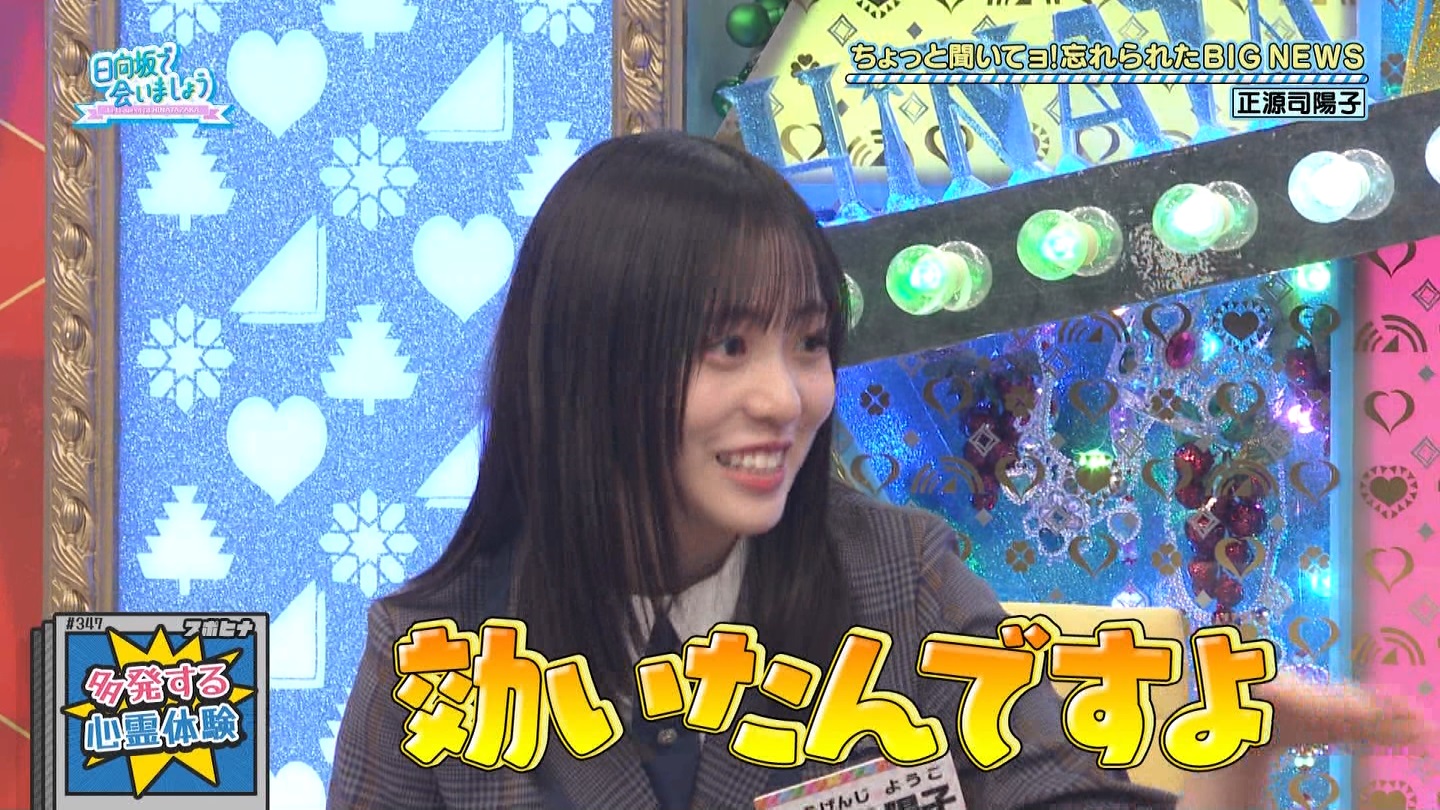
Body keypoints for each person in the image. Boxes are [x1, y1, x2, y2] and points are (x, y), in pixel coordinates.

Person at [328, 131, 1433, 810]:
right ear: (587, 362)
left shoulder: (902, 579)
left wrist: (1223, 751)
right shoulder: (433, 651)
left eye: (809, 342)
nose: (787, 398)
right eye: (727, 345)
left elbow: (1059, 794)